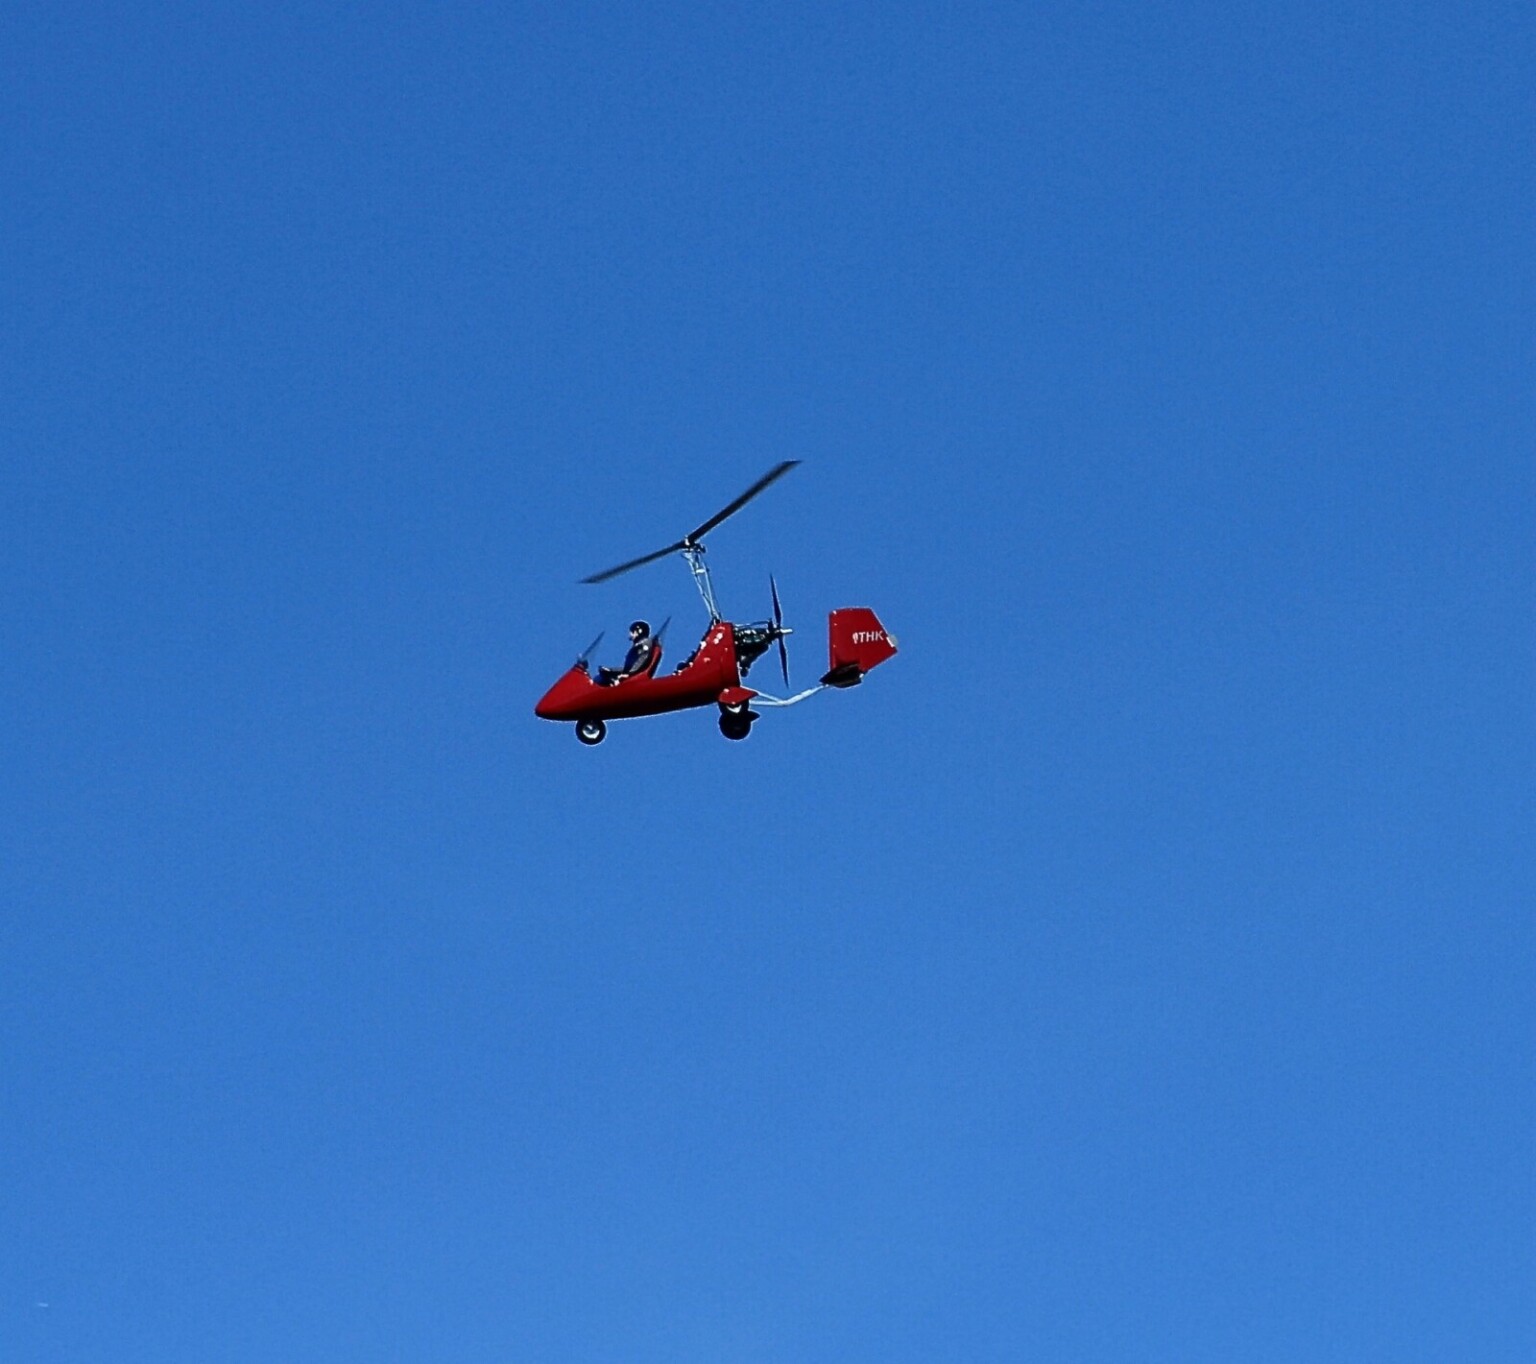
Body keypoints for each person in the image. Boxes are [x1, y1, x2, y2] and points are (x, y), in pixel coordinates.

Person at [597, 620, 658, 684]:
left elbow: (641, 659)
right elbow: (628, 668)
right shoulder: (639, 645)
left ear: (638, 631)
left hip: (634, 680)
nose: (630, 635)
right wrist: (610, 670)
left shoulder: (644, 644)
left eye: (632, 632)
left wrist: (629, 674)